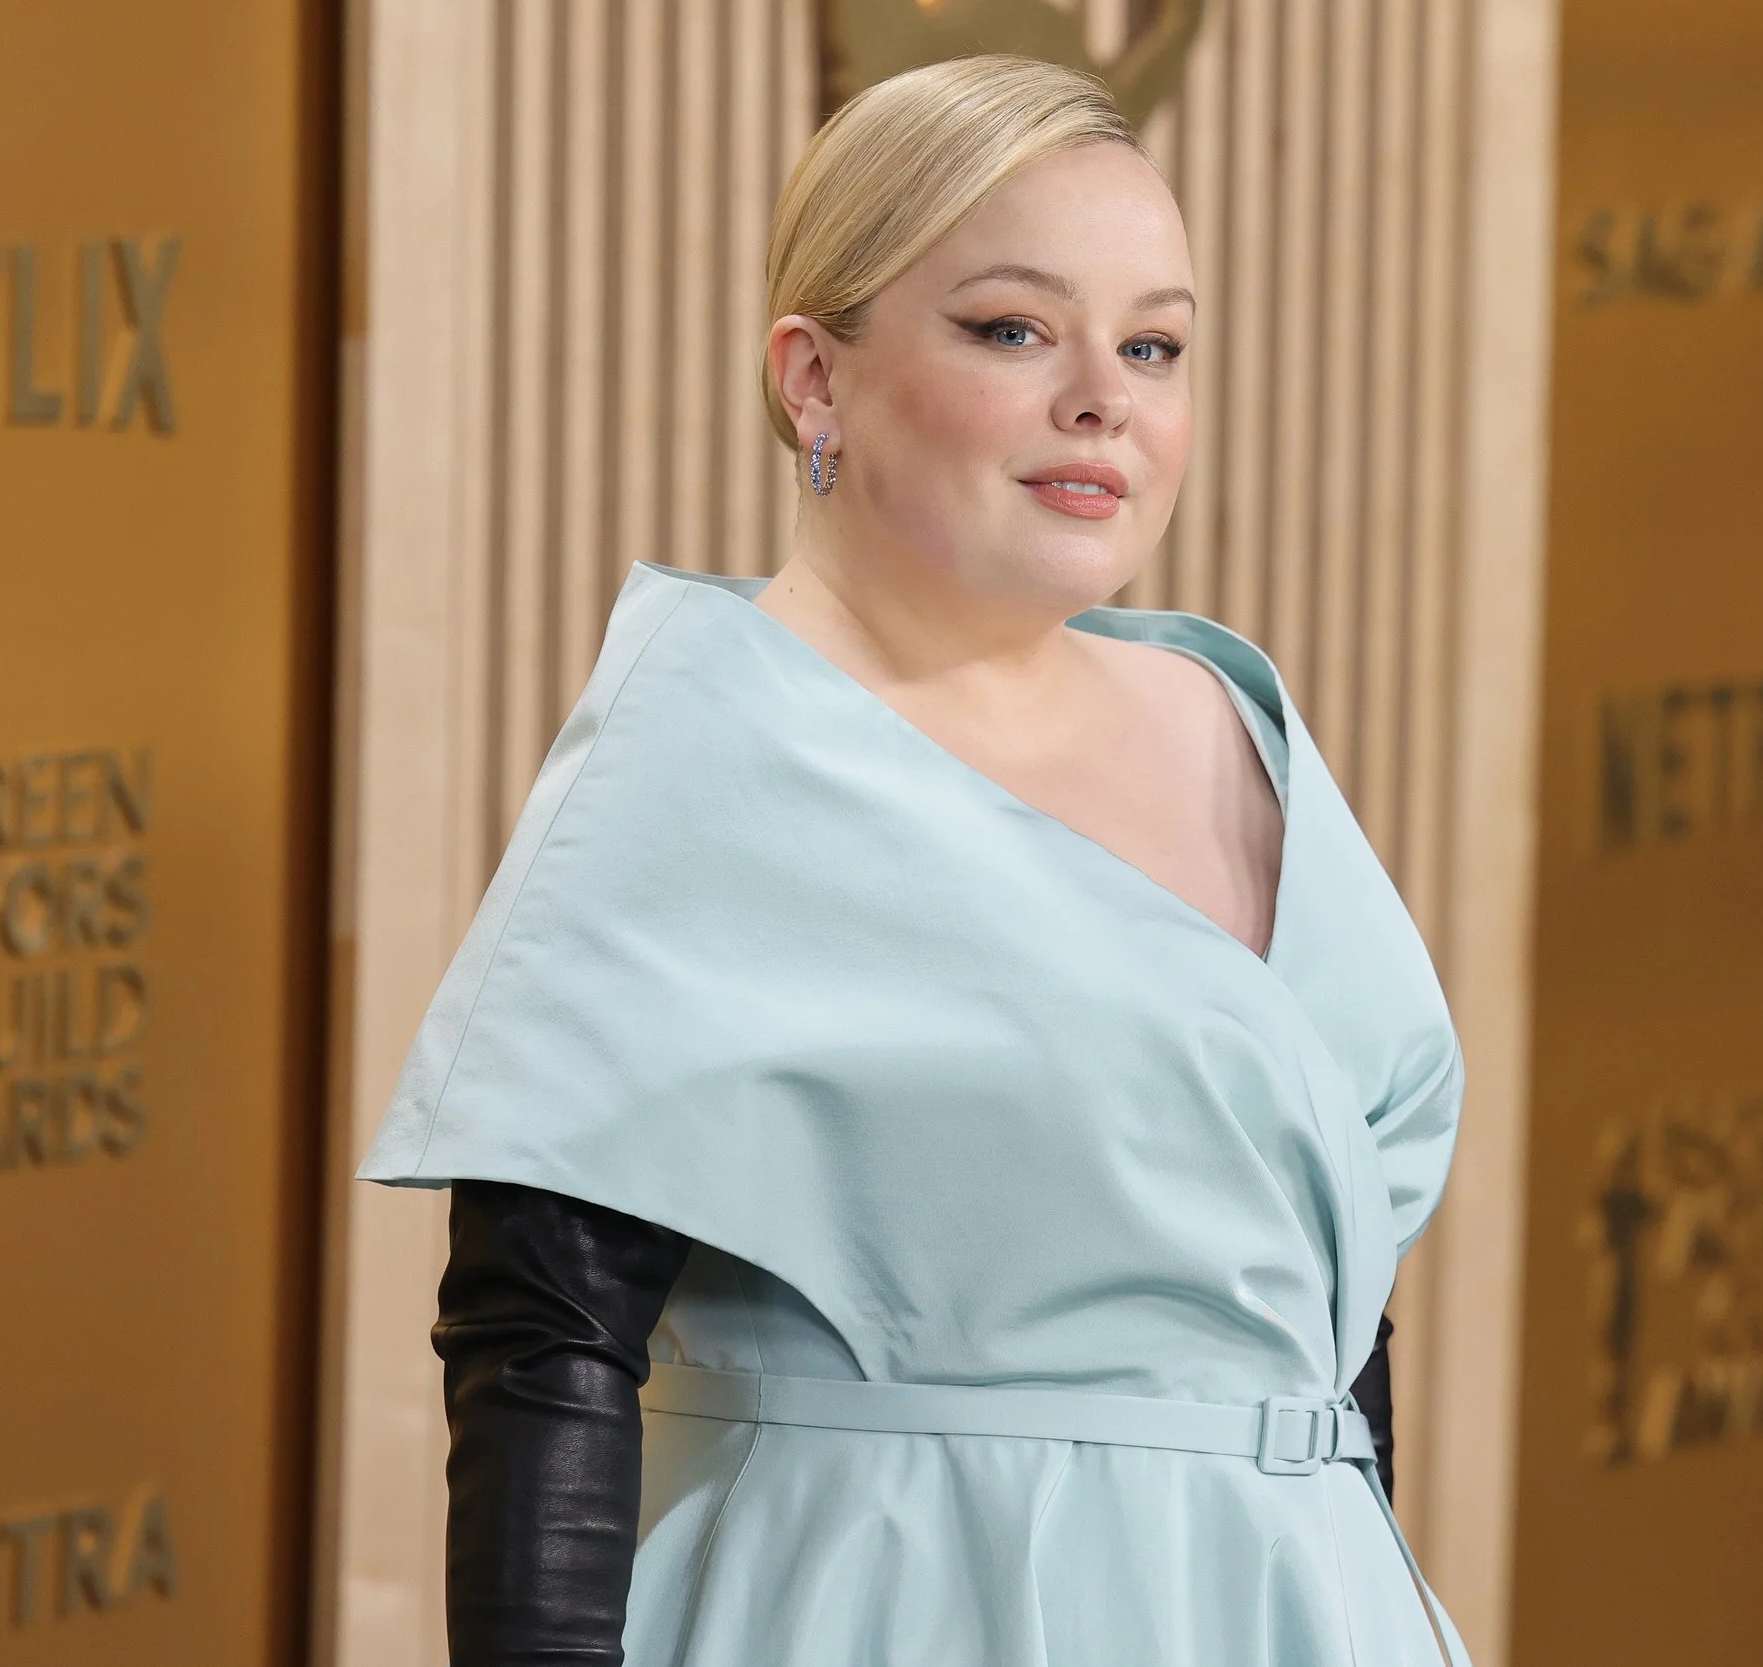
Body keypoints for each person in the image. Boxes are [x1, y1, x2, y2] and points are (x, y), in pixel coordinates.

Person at [359, 53, 1468, 1667]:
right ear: (814, 377)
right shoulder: (712, 749)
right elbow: (543, 1340)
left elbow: (1327, 1332)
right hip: (889, 1607)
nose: (1102, 399)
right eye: (1014, 329)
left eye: (1152, 345)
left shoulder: (1241, 723)